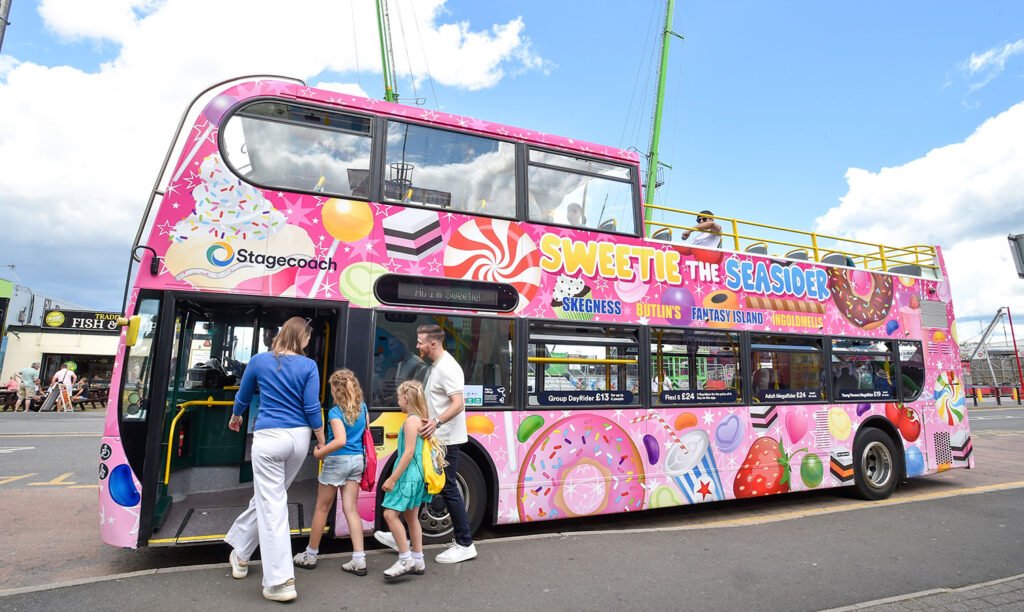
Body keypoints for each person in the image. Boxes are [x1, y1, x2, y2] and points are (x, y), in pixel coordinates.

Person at [224, 316, 325, 603]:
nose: (308, 342)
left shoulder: (259, 361)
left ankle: (280, 582)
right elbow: (311, 406)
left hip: (269, 437)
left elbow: (243, 396)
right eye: (307, 338)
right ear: (300, 337)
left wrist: (236, 417)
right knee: (272, 498)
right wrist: (320, 438)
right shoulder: (309, 365)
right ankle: (241, 553)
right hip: (299, 439)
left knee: (273, 506)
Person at [376, 323, 477, 564]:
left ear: (433, 343)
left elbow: (458, 403)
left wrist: (436, 422)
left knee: (448, 488)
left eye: (420, 342)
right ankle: (404, 535)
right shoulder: (436, 366)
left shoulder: (448, 368)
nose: (417, 346)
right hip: (436, 439)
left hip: (446, 441)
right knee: (422, 484)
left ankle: (465, 544)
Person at [293, 369, 368, 575]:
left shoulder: (335, 413)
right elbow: (365, 434)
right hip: (357, 461)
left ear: (336, 390)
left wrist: (319, 453)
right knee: (351, 509)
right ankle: (359, 559)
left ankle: (310, 555)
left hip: (337, 462)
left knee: (322, 508)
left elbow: (340, 440)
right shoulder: (363, 408)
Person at [379, 380, 437, 579]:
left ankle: (405, 559)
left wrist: (392, 479)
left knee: (389, 514)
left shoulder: (411, 421)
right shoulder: (421, 420)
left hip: (408, 476)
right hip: (418, 475)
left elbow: (409, 452)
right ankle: (418, 559)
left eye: (398, 398)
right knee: (412, 518)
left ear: (405, 398)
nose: (397, 401)